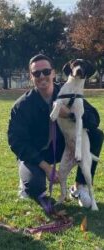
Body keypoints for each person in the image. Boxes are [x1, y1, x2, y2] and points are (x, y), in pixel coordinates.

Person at [7, 54, 103, 207]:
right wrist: (46, 167)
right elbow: (16, 142)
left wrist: (71, 115)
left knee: (96, 135)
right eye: (36, 73)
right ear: (31, 76)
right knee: (35, 188)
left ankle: (79, 186)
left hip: (61, 147)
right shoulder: (22, 106)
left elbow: (94, 119)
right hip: (36, 154)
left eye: (46, 71)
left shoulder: (67, 92)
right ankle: (26, 181)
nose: (42, 76)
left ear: (53, 73)